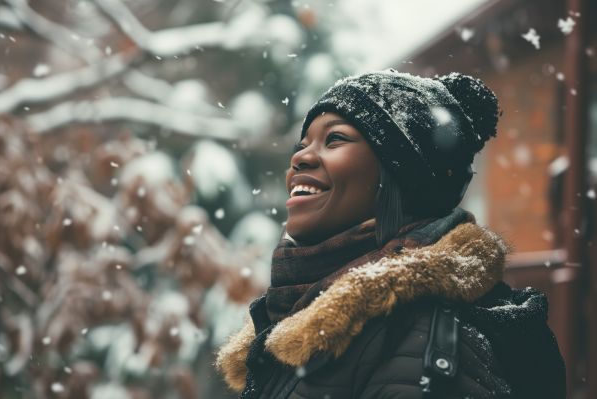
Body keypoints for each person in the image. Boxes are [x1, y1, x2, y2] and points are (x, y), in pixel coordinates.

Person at [216, 69, 566, 398]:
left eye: (334, 139)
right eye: (303, 144)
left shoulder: (418, 341)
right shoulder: (302, 320)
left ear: (399, 178)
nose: (300, 158)